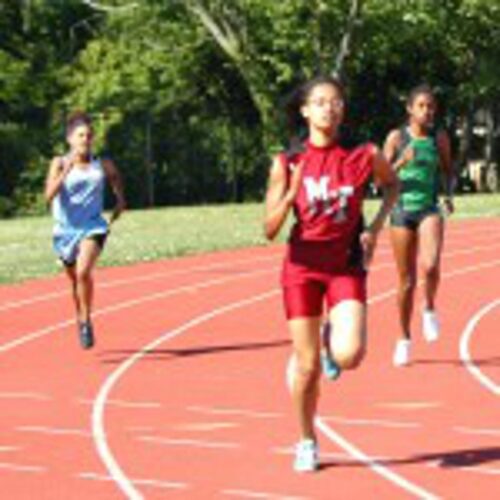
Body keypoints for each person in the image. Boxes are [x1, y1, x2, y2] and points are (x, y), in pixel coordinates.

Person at [263, 76, 399, 472]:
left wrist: (374, 229)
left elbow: (391, 186)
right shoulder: (286, 163)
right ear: (305, 111)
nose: (329, 108)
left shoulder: (363, 154)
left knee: (350, 354)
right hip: (302, 270)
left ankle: (329, 340)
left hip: (344, 267)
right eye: (320, 102)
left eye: (336, 101)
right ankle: (306, 439)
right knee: (305, 369)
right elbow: (269, 229)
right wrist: (288, 197)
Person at [383, 84, 454, 367]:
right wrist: (401, 161)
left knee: (431, 265)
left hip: (428, 208)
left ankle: (429, 307)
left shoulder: (439, 137)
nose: (427, 111)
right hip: (401, 212)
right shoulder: (396, 137)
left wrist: (448, 194)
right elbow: (380, 179)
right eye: (421, 106)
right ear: (410, 109)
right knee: (406, 281)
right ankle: (403, 338)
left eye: (431, 106)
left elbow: (448, 170)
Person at [44, 111, 126, 349]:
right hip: (65, 231)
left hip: (93, 226)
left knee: (83, 272)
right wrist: (65, 172)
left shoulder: (102, 163)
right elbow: (48, 197)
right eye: (80, 135)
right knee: (74, 282)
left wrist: (120, 199)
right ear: (70, 138)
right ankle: (81, 315)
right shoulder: (59, 162)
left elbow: (115, 177)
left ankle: (86, 321)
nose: (85, 139)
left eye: (89, 135)